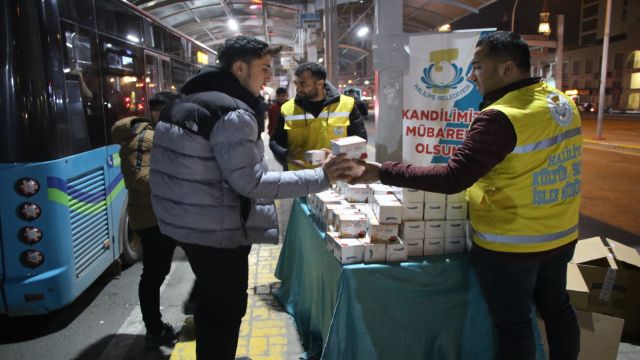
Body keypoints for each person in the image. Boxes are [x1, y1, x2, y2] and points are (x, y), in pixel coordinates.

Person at [349, 31, 582, 360]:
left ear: (507, 69)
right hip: (561, 234)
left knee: (514, 326)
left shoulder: (501, 118)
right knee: (558, 309)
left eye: (478, 67)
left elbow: (453, 177)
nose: (471, 76)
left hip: (513, 245)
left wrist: (382, 171)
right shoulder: (561, 102)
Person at [149, 36, 356, 360]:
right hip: (218, 230)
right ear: (240, 67)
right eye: (264, 68)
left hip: (185, 224)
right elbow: (252, 182)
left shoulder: (183, 103)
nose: (268, 78)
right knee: (227, 309)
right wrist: (322, 177)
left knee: (211, 305)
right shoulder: (232, 113)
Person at [110, 91, 181, 349]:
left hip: (163, 215)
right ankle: (154, 328)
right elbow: (139, 178)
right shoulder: (142, 139)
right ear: (161, 112)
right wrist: (178, 185)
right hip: (152, 219)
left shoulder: (158, 135)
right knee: (153, 274)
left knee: (159, 270)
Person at [269, 62, 368, 170]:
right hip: (299, 179)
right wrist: (285, 155)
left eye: (302, 83)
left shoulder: (347, 105)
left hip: (335, 176)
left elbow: (360, 140)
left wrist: (340, 157)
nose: (298, 89)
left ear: (320, 84)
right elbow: (275, 141)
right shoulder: (287, 109)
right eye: (296, 84)